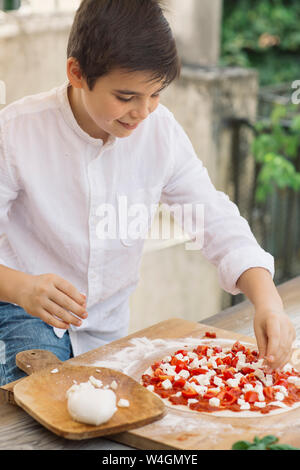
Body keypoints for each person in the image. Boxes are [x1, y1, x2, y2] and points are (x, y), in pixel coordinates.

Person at [0, 0, 295, 386]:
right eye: (126, 97)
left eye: (155, 94)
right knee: (40, 413)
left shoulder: (160, 132)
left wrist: (267, 300)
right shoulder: (17, 131)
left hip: (109, 329)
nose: (143, 112)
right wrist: (19, 286)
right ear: (76, 72)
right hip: (24, 315)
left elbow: (212, 217)